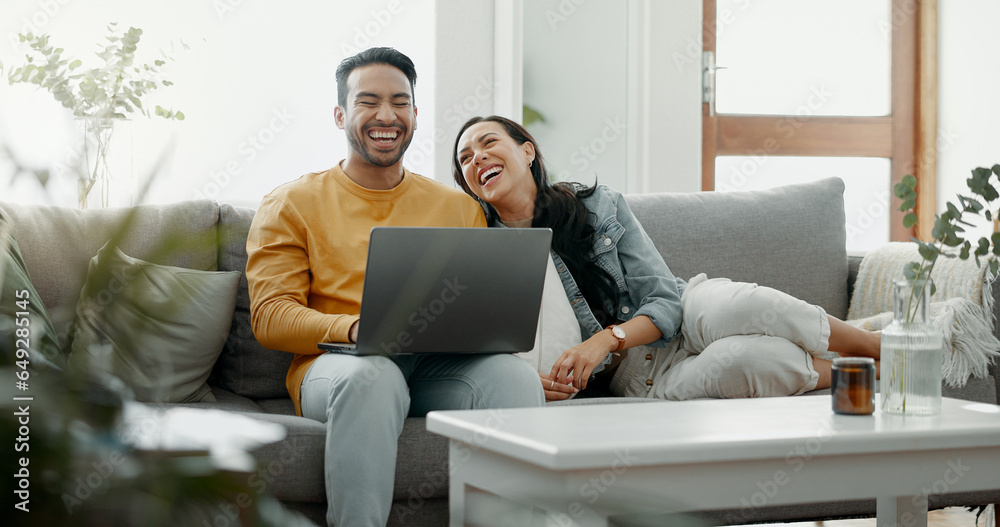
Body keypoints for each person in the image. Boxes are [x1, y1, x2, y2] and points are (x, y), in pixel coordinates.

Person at [246, 51, 543, 527]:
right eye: (368, 102)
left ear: (414, 115)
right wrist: (359, 329)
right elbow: (271, 317)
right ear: (341, 115)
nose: (386, 115)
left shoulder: (457, 207)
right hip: (340, 368)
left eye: (399, 102)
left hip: (431, 368)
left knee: (515, 378)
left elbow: (479, 304)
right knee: (374, 375)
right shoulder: (289, 203)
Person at [452, 115, 881, 402]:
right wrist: (528, 385)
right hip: (634, 376)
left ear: (527, 152)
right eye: (465, 159)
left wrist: (605, 338)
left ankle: (885, 348)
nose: (477, 158)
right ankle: (872, 374)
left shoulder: (597, 206)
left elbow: (663, 298)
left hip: (684, 309)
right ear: (470, 185)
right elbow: (489, 352)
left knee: (749, 307)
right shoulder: (481, 252)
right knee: (747, 362)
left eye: (488, 143)